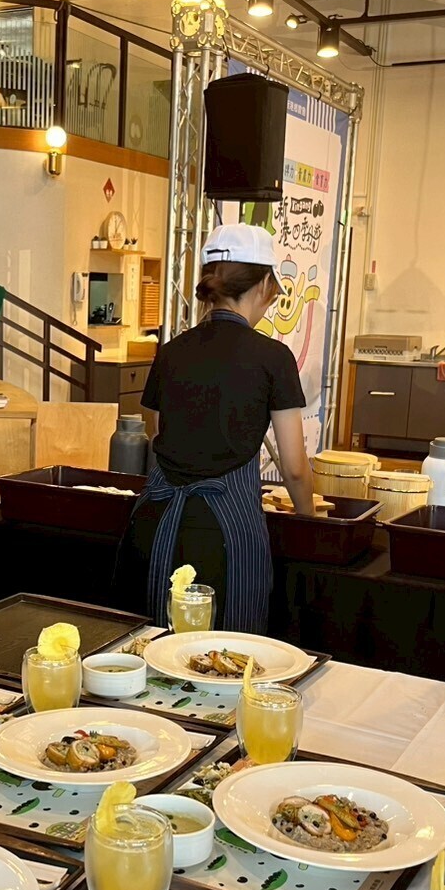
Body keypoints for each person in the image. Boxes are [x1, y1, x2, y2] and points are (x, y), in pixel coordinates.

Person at [114, 223, 312, 634]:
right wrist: (309, 522)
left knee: (149, 650)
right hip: (225, 537)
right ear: (264, 285)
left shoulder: (171, 352)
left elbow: (158, 434)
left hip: (154, 527)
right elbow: (294, 467)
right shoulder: (273, 357)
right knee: (225, 657)